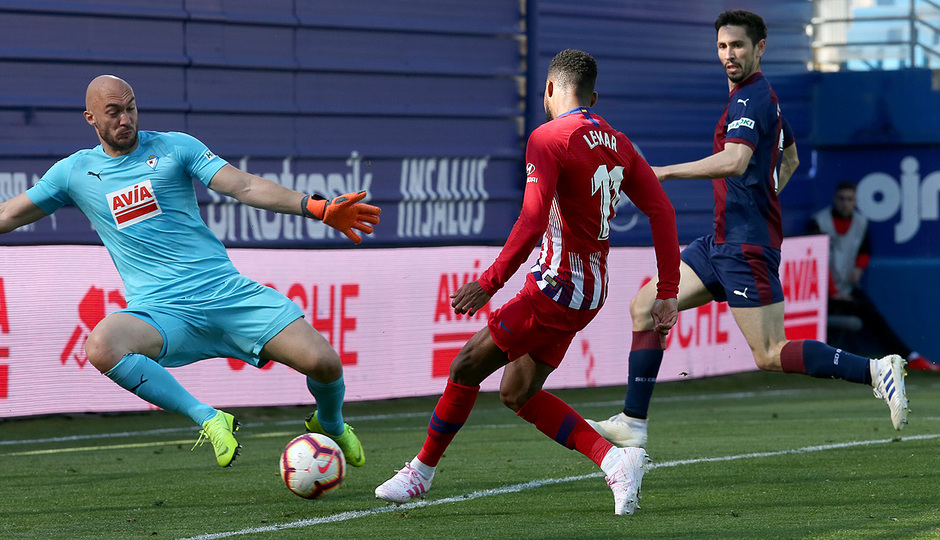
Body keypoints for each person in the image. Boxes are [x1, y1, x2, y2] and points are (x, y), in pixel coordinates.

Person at [0, 75, 381, 468]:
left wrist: (315, 207)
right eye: (112, 112)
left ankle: (330, 423)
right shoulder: (73, 172)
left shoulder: (174, 147)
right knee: (102, 346)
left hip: (226, 293)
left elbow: (244, 186)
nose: (125, 119)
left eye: (130, 108)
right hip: (162, 310)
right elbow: (9, 214)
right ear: (91, 118)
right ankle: (210, 418)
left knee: (325, 364)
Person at [374, 49, 681, 516]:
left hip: (555, 288)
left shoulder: (548, 137)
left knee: (465, 367)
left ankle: (420, 474)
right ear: (593, 96)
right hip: (590, 292)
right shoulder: (619, 143)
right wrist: (667, 293)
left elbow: (533, 219)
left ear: (550, 90)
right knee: (517, 393)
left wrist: (490, 281)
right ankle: (615, 459)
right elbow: (662, 211)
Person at [588, 10, 909, 449]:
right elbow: (790, 158)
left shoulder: (751, 99)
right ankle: (633, 421)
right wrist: (762, 195)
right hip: (720, 241)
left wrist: (665, 172)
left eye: (737, 45)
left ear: (760, 47)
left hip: (745, 247)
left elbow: (736, 161)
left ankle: (875, 370)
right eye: (722, 46)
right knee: (645, 307)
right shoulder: (762, 98)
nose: (728, 55)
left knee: (770, 353)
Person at [809, 182, 936, 370]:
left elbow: (864, 251)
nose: (845, 203)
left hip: (846, 288)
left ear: (856, 201)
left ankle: (907, 356)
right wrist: (833, 291)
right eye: (841, 199)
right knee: (865, 311)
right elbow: (815, 261)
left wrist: (859, 268)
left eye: (850, 199)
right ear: (834, 200)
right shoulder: (818, 222)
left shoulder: (861, 222)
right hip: (822, 293)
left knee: (874, 315)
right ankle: (904, 356)